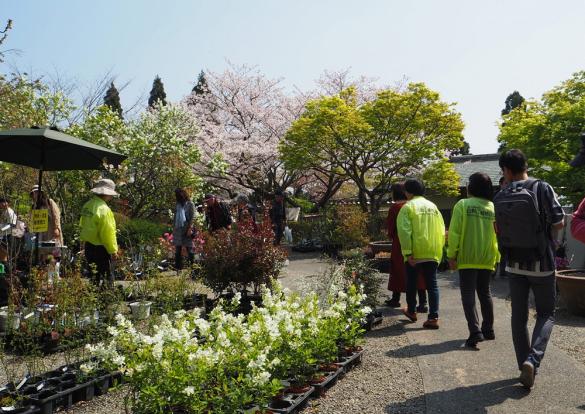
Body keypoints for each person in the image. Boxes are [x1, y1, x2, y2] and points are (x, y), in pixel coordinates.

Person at [494, 149, 564, 389]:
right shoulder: (542, 187)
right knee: (546, 313)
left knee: (518, 316)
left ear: (506, 170)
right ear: (525, 165)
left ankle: (523, 364)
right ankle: (533, 360)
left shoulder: (502, 192)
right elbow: (559, 221)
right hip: (541, 262)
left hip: (514, 263)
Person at [447, 173, 499, 348]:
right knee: (485, 293)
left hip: (468, 257)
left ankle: (475, 331)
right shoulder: (491, 207)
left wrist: (451, 255)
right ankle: (488, 329)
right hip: (487, 256)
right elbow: (496, 234)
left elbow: (454, 232)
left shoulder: (462, 204)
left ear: (472, 187)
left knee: (468, 294)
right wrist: (497, 256)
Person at [397, 178, 445, 329]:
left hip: (415, 251)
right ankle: (433, 317)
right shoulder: (433, 206)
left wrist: (407, 252)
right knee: (433, 285)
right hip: (432, 251)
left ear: (408, 192)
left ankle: (412, 311)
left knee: (412, 282)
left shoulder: (407, 207)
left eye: (405, 190)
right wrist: (439, 250)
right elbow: (442, 230)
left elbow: (404, 232)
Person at [385, 183, 428, 311]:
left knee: (398, 270)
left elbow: (391, 228)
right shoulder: (415, 205)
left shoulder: (396, 207)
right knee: (419, 271)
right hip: (418, 241)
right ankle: (423, 302)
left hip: (400, 243)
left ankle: (396, 299)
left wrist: (391, 235)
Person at [79, 179, 119, 287]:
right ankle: (106, 300)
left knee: (93, 276)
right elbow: (107, 232)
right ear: (106, 194)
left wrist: (83, 243)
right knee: (107, 276)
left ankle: (92, 300)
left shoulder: (87, 205)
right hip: (102, 248)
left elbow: (82, 224)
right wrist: (113, 250)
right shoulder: (104, 209)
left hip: (89, 246)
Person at [172, 188, 195, 270]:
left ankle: (193, 268)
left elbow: (192, 217)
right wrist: (173, 228)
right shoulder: (177, 205)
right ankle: (178, 269)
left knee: (190, 249)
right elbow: (175, 217)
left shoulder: (190, 204)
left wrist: (190, 228)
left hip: (187, 228)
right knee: (178, 250)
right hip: (178, 229)